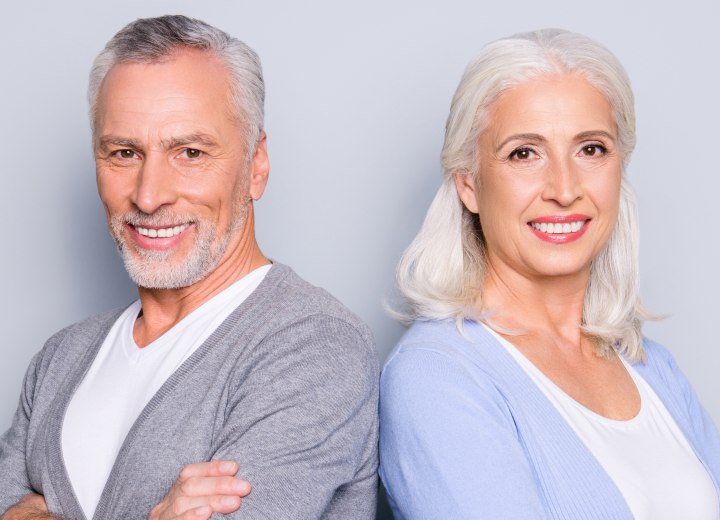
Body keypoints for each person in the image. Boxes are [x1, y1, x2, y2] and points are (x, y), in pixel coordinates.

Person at [0, 15, 378, 520]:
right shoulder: (60, 359)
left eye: (191, 152)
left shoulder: (313, 346)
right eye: (124, 152)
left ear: (255, 165)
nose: (149, 194)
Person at [379, 28, 720, 520]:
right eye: (524, 153)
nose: (564, 188)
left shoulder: (650, 367)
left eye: (591, 149)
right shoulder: (436, 378)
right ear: (469, 185)